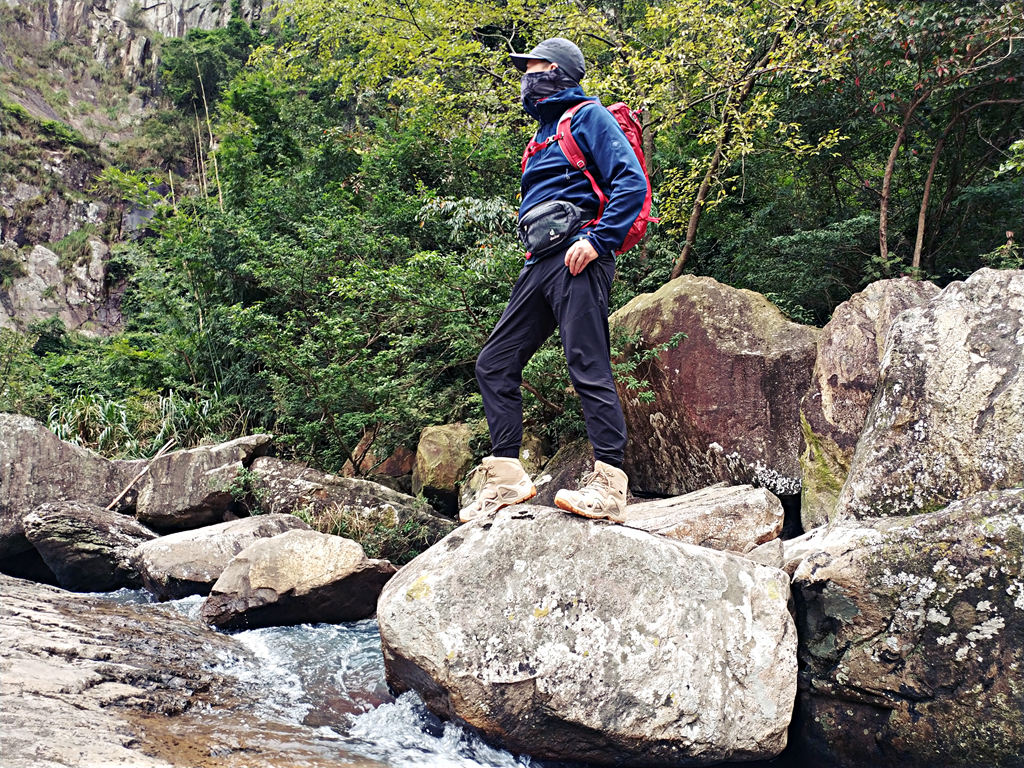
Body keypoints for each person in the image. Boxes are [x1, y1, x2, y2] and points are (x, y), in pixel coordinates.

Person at [459, 38, 647, 525]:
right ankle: (507, 478)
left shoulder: (588, 116)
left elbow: (631, 183)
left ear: (560, 71)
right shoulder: (540, 136)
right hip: (539, 261)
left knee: (587, 364)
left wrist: (599, 241)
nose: (528, 76)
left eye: (536, 66)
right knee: (494, 364)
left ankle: (609, 485)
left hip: (580, 254)